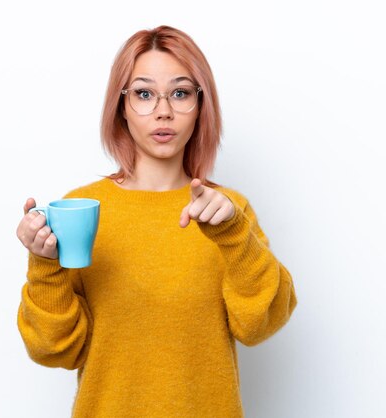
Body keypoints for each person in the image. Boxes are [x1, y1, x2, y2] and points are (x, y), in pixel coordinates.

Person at [16, 25, 298, 417]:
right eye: (144, 94)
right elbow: (54, 349)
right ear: (121, 106)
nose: (163, 110)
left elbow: (261, 324)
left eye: (180, 93)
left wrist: (236, 237)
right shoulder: (81, 208)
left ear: (201, 105)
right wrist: (45, 265)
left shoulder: (227, 211)